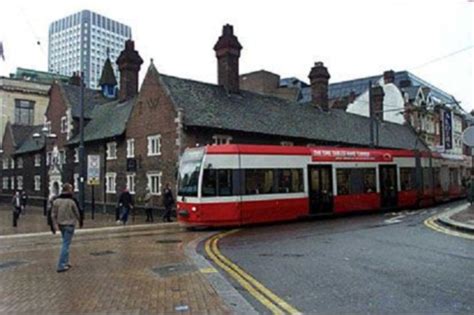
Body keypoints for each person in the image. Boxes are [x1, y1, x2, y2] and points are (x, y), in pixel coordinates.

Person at [51, 183, 82, 273]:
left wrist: (54, 224)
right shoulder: (71, 201)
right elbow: (77, 212)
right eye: (71, 189)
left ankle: (66, 262)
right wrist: (80, 221)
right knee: (66, 244)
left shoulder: (56, 201)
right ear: (68, 190)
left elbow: (53, 214)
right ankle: (61, 265)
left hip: (61, 224)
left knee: (65, 242)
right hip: (70, 224)